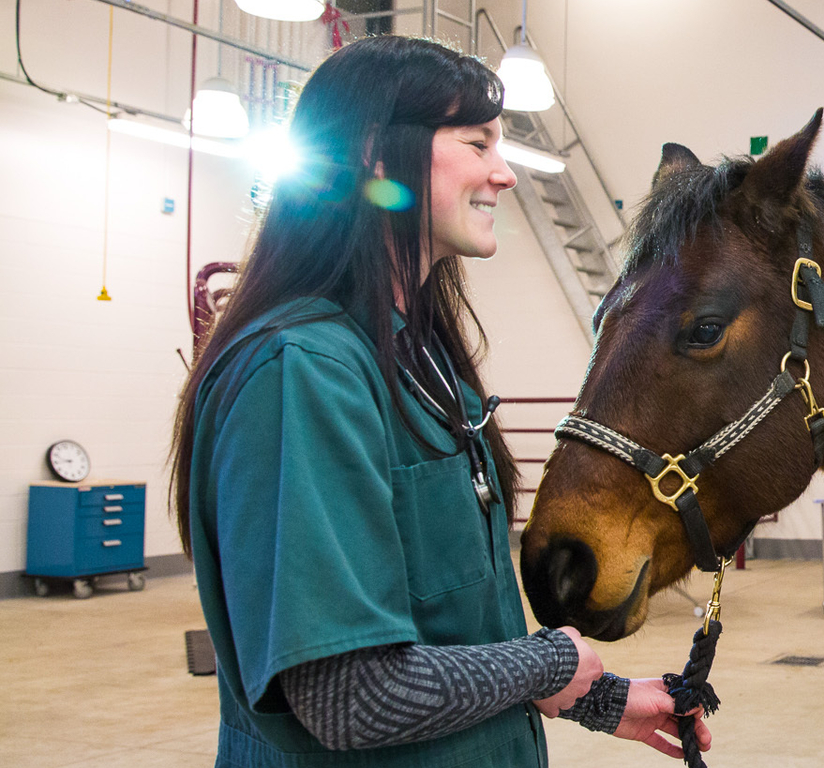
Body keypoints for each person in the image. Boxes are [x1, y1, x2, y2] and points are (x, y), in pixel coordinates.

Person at [168, 36, 709, 766]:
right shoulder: (303, 372)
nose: (504, 173)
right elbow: (350, 694)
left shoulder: (421, 356)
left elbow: (448, 629)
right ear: (374, 153)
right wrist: (549, 663)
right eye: (479, 141)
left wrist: (600, 698)